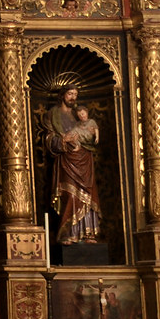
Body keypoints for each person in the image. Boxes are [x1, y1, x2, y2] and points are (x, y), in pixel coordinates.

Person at [46, 86, 102, 244]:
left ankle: (88, 233)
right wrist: (63, 140)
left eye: (75, 94)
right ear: (63, 95)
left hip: (84, 159)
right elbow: (49, 139)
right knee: (70, 195)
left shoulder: (79, 114)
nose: (73, 97)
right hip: (67, 160)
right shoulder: (54, 114)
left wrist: (92, 134)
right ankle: (68, 232)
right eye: (70, 94)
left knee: (87, 195)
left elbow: (91, 134)